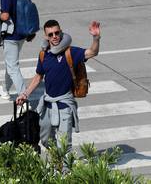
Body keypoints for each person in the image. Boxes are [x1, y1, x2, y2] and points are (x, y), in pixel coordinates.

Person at [16, 20, 101, 152]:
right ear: (46, 37)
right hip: (47, 104)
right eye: (50, 34)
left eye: (56, 33)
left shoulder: (70, 52)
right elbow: (38, 77)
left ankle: (64, 170)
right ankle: (59, 159)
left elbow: (92, 52)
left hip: (65, 104)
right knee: (45, 140)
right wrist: (25, 94)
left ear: (61, 32)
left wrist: (96, 38)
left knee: (64, 143)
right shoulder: (44, 54)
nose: (54, 36)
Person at [0, 0, 33, 100]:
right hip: (22, 33)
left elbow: (5, 16)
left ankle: (24, 96)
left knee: (13, 66)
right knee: (10, 63)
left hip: (11, 36)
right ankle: (5, 89)